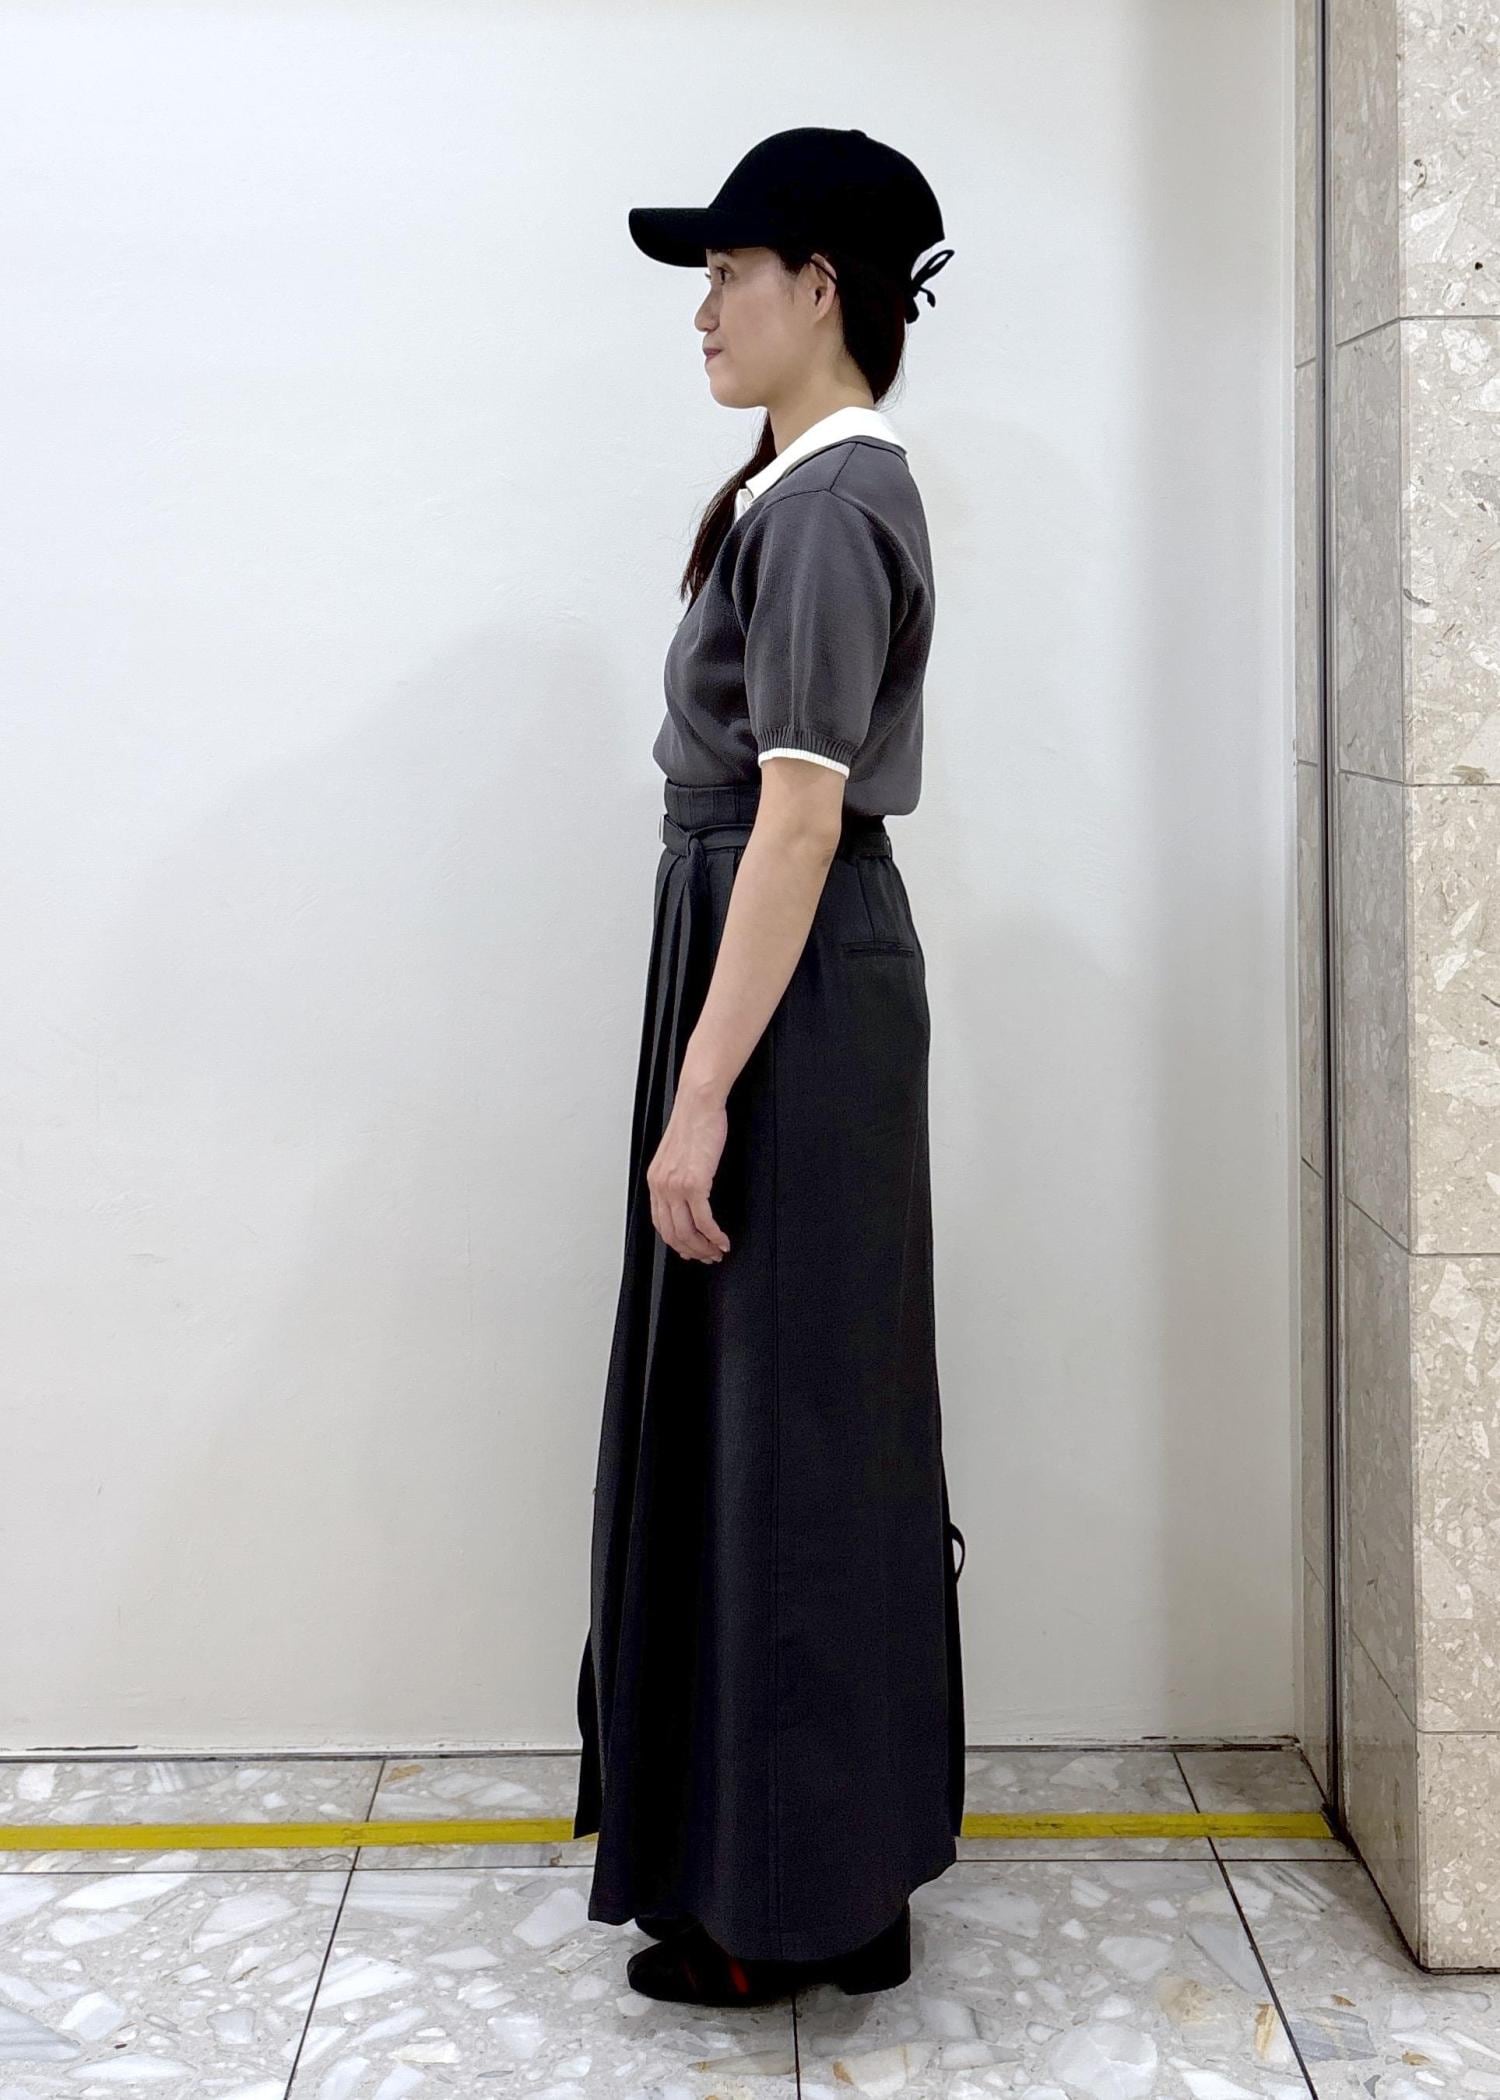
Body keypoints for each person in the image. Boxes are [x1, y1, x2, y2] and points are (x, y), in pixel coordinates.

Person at [571, 126, 966, 2010]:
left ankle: (787, 1905)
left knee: (786, 1437)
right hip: (781, 964)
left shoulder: (823, 504)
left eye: (730, 273)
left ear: (822, 286)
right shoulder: (810, 489)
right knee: (796, 1421)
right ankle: (823, 1879)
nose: (705, 310)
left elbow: (797, 819)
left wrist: (703, 1093)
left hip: (783, 978)